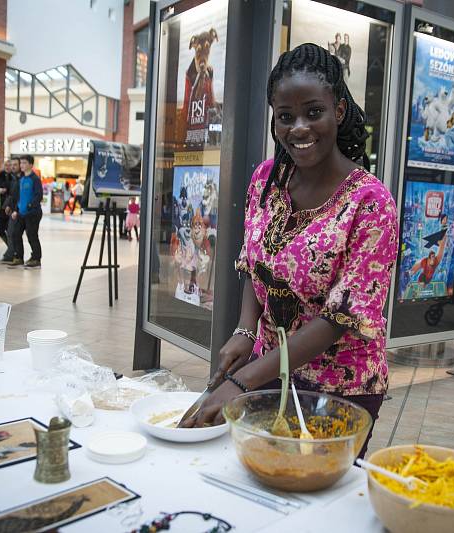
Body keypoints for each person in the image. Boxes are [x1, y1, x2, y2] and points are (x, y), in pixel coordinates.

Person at [182, 44, 399, 460]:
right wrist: (246, 330)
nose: (298, 127)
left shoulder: (371, 203)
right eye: (285, 116)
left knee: (311, 495)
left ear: (338, 109)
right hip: (267, 368)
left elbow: (340, 317)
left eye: (313, 112)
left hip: (338, 389)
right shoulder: (266, 178)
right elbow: (255, 263)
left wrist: (243, 381)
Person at [10, 155, 43, 269]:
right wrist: (15, 210)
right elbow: (19, 197)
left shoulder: (35, 179)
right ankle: (18, 257)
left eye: (24, 163)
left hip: (33, 213)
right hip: (21, 213)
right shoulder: (22, 179)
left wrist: (30, 205)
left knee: (32, 236)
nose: (22, 165)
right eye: (21, 163)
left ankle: (36, 259)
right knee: (15, 234)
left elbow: (39, 196)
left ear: (30, 164)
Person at [0, 157, 18, 262]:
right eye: (7, 165)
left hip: (11, 207)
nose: (9, 167)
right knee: (0, 229)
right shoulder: (0, 176)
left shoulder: (14, 177)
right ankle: (11, 249)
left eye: (11, 165)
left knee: (10, 231)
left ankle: (11, 252)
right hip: (1, 206)